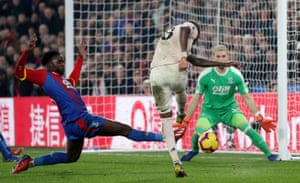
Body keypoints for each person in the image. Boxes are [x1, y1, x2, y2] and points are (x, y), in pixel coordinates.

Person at [12, 34, 164, 174]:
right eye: (58, 60)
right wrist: (26, 52)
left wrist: (80, 58)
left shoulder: (63, 81)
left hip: (71, 124)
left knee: (71, 157)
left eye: (62, 61)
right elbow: (19, 72)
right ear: (48, 64)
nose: (62, 63)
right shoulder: (42, 74)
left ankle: (30, 162)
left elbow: (74, 79)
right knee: (123, 129)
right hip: (80, 120)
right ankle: (164, 137)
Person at [149, 21, 240, 177]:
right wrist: (184, 56)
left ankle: (176, 161)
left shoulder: (169, 38)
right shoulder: (187, 28)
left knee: (165, 119)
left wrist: (220, 63)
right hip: (174, 70)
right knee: (179, 89)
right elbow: (186, 29)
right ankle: (181, 113)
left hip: (155, 75)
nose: (195, 40)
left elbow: (197, 61)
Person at [179, 45, 280, 162]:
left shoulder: (235, 74)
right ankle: (194, 151)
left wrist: (258, 116)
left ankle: (270, 155)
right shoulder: (205, 75)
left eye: (223, 56)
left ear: (228, 57)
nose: (221, 59)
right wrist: (186, 120)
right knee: (197, 134)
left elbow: (246, 97)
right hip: (209, 112)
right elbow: (196, 98)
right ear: (213, 58)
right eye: (218, 56)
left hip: (230, 111)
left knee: (248, 130)